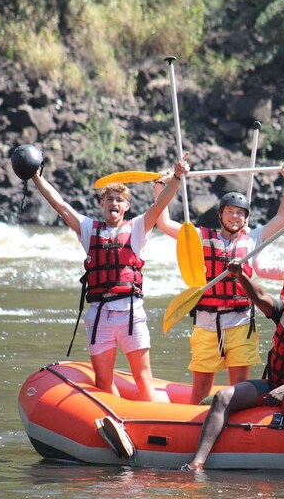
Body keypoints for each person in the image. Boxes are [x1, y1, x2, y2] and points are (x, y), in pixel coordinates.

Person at [29, 156, 191, 401]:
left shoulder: (136, 228)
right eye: (109, 199)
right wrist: (36, 177)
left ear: (126, 206)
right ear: (101, 204)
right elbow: (60, 206)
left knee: (143, 378)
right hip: (99, 316)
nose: (114, 203)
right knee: (103, 382)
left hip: (131, 313)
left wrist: (177, 178)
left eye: (119, 200)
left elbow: (158, 208)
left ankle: (150, 424)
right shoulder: (88, 229)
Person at [155, 164, 284, 404]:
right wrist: (162, 186)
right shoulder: (199, 237)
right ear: (220, 214)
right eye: (230, 211)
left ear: (246, 217)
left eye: (241, 213)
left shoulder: (253, 238)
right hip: (206, 322)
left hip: (240, 321)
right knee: (200, 389)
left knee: (239, 388)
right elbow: (163, 222)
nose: (235, 216)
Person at [185, 271, 284, 479]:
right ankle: (197, 463)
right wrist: (240, 275)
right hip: (274, 382)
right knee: (222, 397)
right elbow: (259, 296)